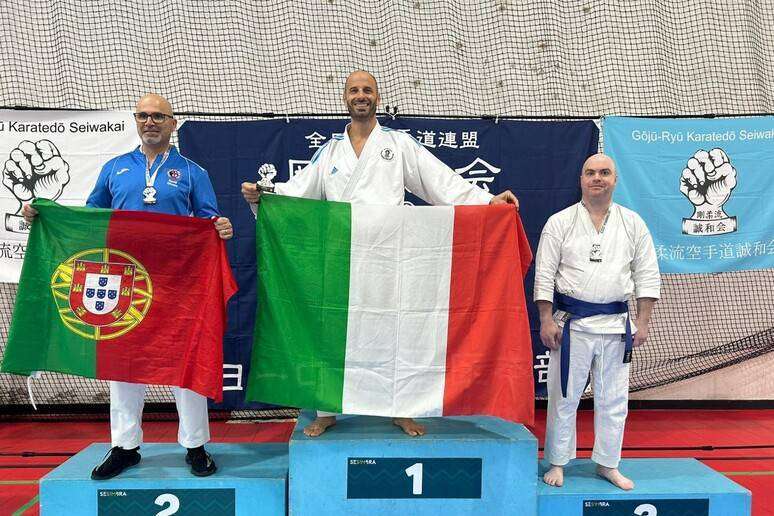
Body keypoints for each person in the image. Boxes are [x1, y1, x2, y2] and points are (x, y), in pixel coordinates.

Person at [242, 70, 519, 438]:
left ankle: (400, 408)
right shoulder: (330, 151)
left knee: (395, 332)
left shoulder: (398, 144)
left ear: (377, 97)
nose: (361, 95)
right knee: (331, 334)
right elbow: (297, 192)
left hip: (390, 258)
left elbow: (440, 182)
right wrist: (265, 197)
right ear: (345, 98)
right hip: (341, 258)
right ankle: (327, 409)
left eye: (367, 90)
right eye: (354, 90)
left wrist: (487, 201)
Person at [23, 93, 233, 480]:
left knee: (185, 362)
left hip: (177, 284)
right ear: (136, 121)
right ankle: (124, 446)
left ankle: (195, 445)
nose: (150, 122)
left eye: (158, 116)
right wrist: (45, 216)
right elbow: (90, 219)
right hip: (125, 281)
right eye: (143, 116)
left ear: (172, 123)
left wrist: (220, 226)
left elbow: (208, 220)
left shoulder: (192, 172)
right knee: (123, 361)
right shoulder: (114, 168)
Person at [533, 153, 660, 490]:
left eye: (605, 173)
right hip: (571, 325)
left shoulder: (633, 223)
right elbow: (544, 274)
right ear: (581, 179)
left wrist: (643, 322)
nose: (597, 178)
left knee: (614, 400)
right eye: (590, 172)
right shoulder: (560, 222)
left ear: (615, 180)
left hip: (617, 326)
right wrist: (545, 319)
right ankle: (558, 461)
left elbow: (647, 274)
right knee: (564, 396)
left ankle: (608, 463)